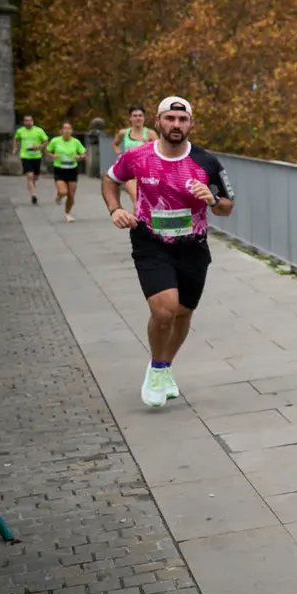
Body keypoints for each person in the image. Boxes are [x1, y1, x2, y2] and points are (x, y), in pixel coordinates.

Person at [102, 96, 234, 408]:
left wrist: (213, 201)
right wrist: (114, 209)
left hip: (193, 246)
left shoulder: (207, 162)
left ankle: (163, 365)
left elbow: (228, 207)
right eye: (170, 119)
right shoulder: (137, 157)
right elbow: (110, 181)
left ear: (190, 123)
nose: (176, 125)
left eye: (182, 120)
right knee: (164, 310)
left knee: (184, 312)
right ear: (158, 122)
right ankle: (158, 370)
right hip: (151, 242)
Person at [112, 106, 158, 204]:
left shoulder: (150, 133)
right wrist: (119, 155)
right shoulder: (124, 133)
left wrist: (149, 147)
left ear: (144, 117)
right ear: (130, 118)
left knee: (145, 202)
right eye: (135, 116)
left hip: (146, 172)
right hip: (130, 171)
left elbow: (159, 152)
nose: (138, 118)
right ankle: (138, 219)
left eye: (140, 115)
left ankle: (138, 219)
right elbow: (114, 144)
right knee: (137, 199)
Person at [45, 123, 86, 222]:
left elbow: (84, 154)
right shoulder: (55, 141)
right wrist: (53, 156)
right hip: (60, 169)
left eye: (69, 128)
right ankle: (59, 196)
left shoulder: (76, 142)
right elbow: (47, 151)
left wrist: (79, 157)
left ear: (71, 131)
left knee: (71, 195)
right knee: (63, 191)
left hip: (72, 169)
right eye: (65, 128)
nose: (67, 130)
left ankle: (67, 214)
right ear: (61, 131)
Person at [13, 114, 49, 205]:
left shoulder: (38, 130)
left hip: (36, 156)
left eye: (30, 120)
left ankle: (31, 184)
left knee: (35, 177)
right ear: (24, 122)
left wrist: (39, 146)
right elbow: (16, 139)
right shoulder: (20, 131)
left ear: (32, 121)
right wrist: (15, 148)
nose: (28, 122)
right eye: (26, 120)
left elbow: (46, 141)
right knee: (29, 175)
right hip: (25, 156)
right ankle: (33, 195)